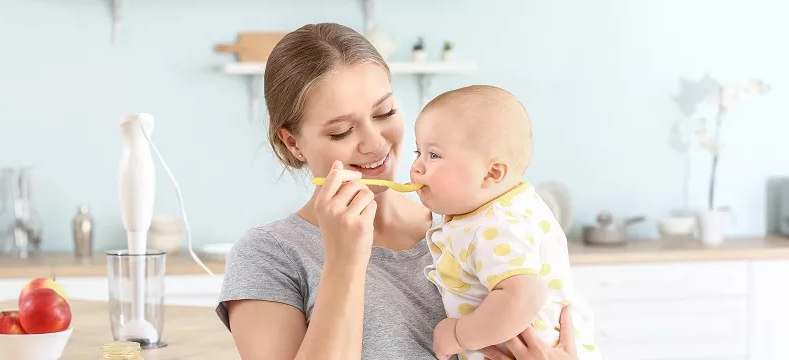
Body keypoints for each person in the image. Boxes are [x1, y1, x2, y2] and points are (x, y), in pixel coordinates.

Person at [214, 22, 579, 360]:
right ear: (293, 143)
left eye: (385, 112)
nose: (375, 143)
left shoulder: (478, 224)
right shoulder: (269, 256)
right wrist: (344, 261)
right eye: (341, 132)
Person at [409, 85, 601, 360]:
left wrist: (457, 335)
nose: (417, 167)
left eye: (434, 155)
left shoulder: (497, 225)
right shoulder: (501, 207)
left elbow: (523, 296)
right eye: (418, 152)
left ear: (492, 173)